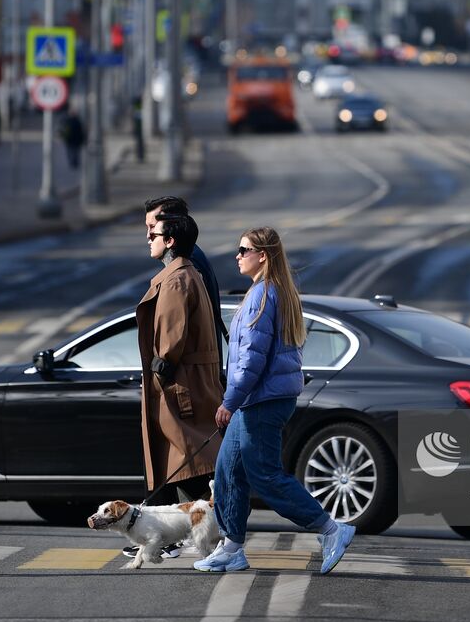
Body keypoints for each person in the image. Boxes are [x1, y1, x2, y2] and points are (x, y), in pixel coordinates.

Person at [193, 227, 356, 575]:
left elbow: (251, 359)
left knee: (264, 475)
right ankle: (232, 548)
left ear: (262, 255)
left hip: (261, 400)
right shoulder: (269, 291)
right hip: (259, 399)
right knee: (227, 472)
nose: (237, 255)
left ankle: (331, 529)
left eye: (244, 249)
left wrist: (229, 401)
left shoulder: (264, 295)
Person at [134, 211, 222, 531]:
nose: (148, 238)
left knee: (192, 465)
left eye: (154, 234)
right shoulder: (188, 273)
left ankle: (219, 534)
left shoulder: (175, 279)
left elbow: (170, 339)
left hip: (178, 387)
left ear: (170, 241)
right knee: (189, 465)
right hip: (192, 382)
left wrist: (162, 369)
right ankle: (177, 534)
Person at [145, 196, 225, 378]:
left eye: (153, 228)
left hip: (189, 381)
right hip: (196, 377)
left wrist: (160, 373)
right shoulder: (190, 258)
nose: (148, 236)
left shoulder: (184, 268)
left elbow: (173, 338)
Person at [58, 106, 85, 170]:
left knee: (71, 152)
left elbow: (63, 130)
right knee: (74, 152)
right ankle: (74, 162)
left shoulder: (70, 121)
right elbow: (81, 131)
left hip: (70, 140)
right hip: (75, 140)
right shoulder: (77, 121)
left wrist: (62, 136)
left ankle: (72, 162)